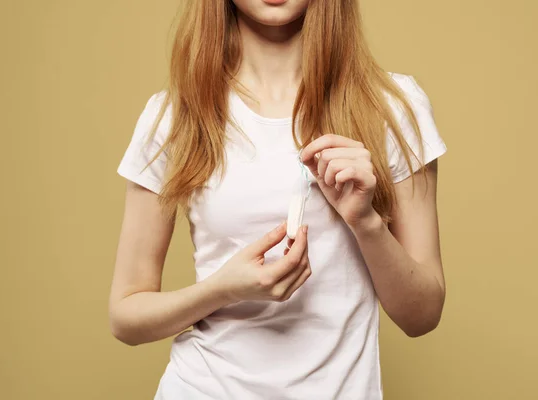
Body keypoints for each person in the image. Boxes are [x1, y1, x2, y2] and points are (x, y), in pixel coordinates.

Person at [109, 0, 447, 398]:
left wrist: (366, 221)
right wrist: (223, 289)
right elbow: (126, 316)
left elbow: (422, 315)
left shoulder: (391, 107)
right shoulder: (174, 116)